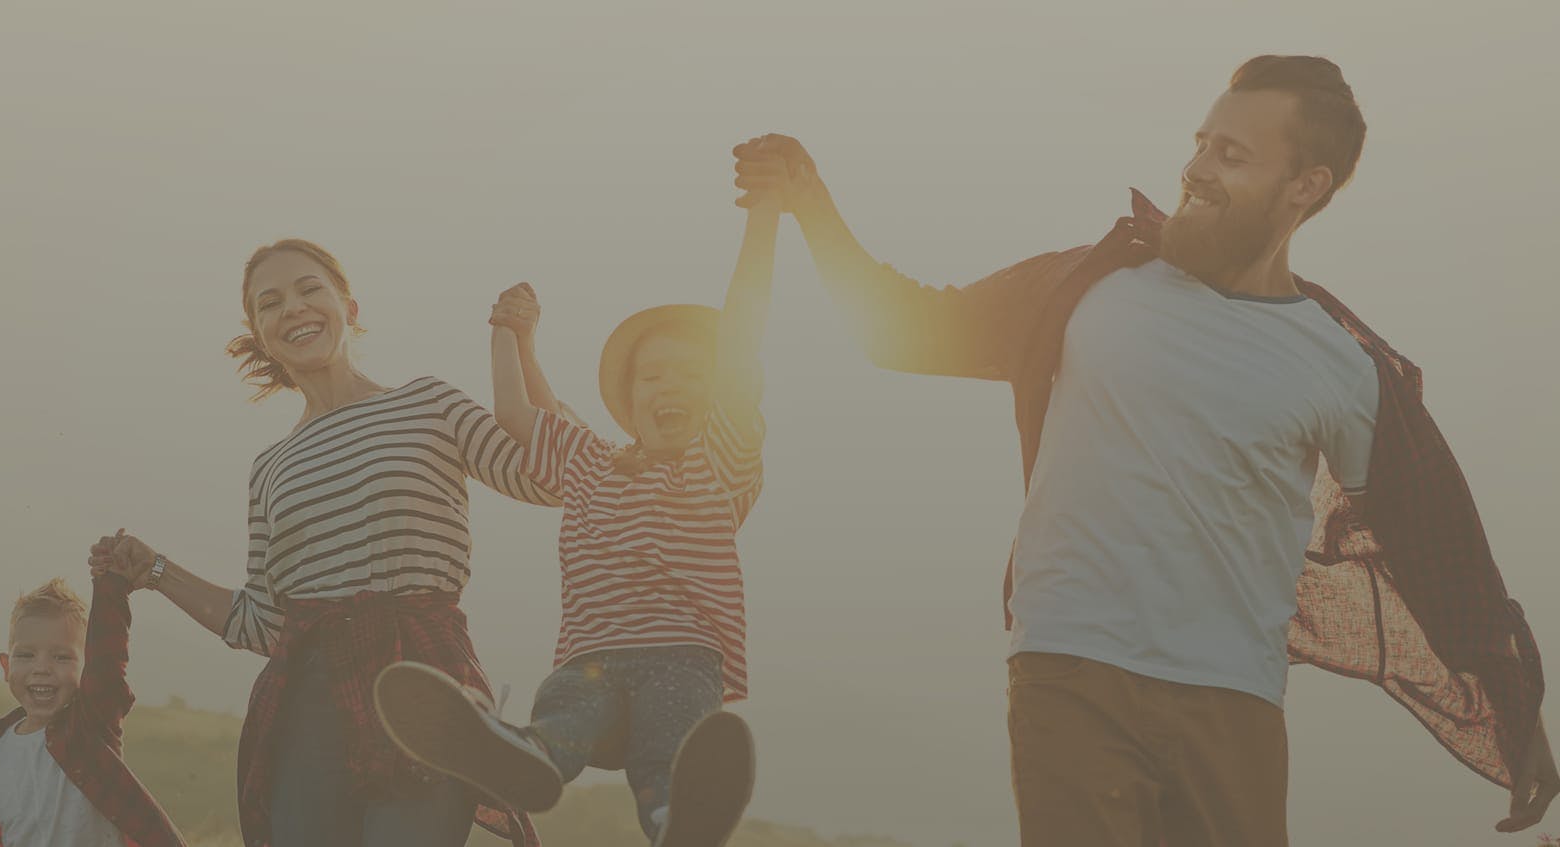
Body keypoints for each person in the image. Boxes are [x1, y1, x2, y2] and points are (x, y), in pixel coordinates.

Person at [731, 55, 1555, 844]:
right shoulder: (1094, 285)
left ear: (1305, 187)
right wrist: (813, 202)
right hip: (1071, 668)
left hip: (1235, 699)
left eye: (1230, 154)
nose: (1195, 167)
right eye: (1199, 142)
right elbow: (904, 329)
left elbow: (1438, 550)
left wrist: (1520, 722)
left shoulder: (1342, 366)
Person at [89, 238, 557, 847]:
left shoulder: (427, 404)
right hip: (306, 704)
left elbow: (548, 474)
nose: (294, 308)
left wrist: (517, 342)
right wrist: (154, 568)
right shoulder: (271, 468)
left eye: (310, 289)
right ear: (260, 334)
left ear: (350, 308)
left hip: (424, 681)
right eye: (271, 303)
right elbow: (261, 624)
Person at [374, 185, 786, 847]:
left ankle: (673, 823)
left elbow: (742, 334)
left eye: (689, 375)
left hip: (681, 658)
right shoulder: (589, 460)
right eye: (652, 377)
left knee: (666, 756)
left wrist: (764, 215)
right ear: (629, 400)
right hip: (589, 659)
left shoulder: (719, 458)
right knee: (563, 715)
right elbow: (516, 412)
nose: (668, 386)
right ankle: (524, 757)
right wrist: (509, 333)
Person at [0, 573, 184, 847]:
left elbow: (108, 657)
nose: (41, 668)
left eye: (61, 657)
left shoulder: (91, 726)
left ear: (85, 669)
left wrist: (110, 580)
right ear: (6, 667)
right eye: (26, 655)